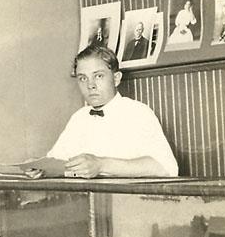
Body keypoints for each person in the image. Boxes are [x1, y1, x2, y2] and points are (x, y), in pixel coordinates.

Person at [27, 45, 178, 179]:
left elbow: (167, 168)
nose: (90, 85)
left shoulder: (138, 113)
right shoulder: (79, 118)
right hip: (85, 199)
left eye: (98, 76)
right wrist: (41, 168)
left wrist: (101, 165)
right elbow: (57, 161)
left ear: (116, 78)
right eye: (83, 78)